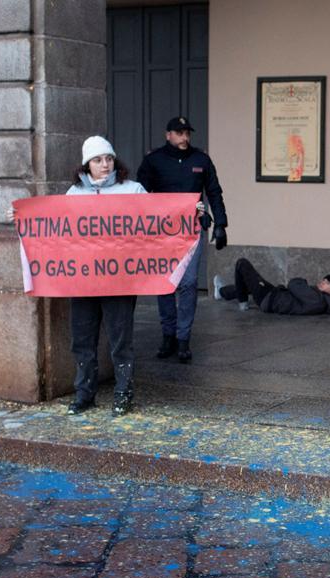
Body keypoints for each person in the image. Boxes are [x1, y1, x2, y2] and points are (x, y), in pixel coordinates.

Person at [66, 136, 147, 416]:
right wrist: (23, 219)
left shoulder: (133, 189)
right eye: (98, 160)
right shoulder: (74, 193)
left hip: (120, 280)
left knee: (120, 340)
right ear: (87, 164)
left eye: (109, 159)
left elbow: (158, 219)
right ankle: (84, 394)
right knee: (82, 339)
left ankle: (123, 393)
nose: (105, 164)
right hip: (84, 280)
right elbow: (53, 230)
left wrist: (189, 212)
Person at [137, 116, 229, 364]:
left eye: (187, 133)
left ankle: (183, 338)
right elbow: (139, 196)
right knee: (166, 283)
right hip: (163, 231)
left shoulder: (201, 159)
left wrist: (221, 224)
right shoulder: (153, 160)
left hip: (192, 228)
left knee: (188, 283)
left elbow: (214, 191)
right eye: (179, 133)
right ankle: (168, 334)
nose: (184, 137)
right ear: (168, 135)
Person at [212, 258, 330, 316]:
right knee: (249, 285)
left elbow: (294, 284)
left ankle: (242, 302)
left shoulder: (316, 299)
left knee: (242, 263)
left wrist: (303, 281)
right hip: (274, 296)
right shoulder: (323, 299)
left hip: (269, 299)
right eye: (324, 280)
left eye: (327, 283)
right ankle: (222, 292)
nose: (322, 282)